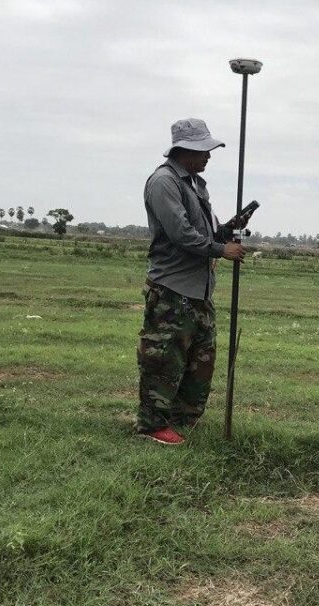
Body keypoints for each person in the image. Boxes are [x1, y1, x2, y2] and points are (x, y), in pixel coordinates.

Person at [136, 118, 249, 445]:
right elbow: (181, 235)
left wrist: (226, 231)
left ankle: (181, 421)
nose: (209, 156)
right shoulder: (164, 182)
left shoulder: (196, 185)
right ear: (184, 150)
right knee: (163, 360)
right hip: (172, 289)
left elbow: (205, 234)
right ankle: (153, 425)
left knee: (200, 363)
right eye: (204, 150)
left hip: (200, 291)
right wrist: (220, 249)